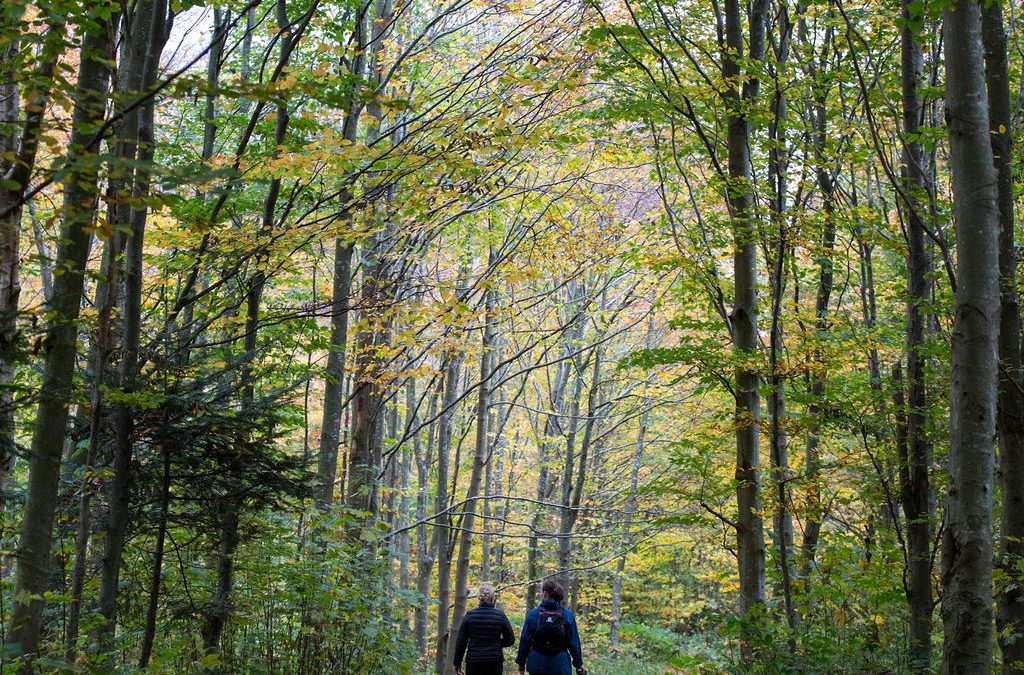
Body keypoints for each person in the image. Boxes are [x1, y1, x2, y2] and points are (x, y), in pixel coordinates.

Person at [515, 580, 586, 675]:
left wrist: (521, 662)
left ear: (545, 594)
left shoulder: (533, 614)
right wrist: (579, 664)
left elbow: (525, 640)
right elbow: (573, 642)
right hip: (560, 665)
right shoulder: (567, 615)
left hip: (537, 665)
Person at [453, 583, 516, 675]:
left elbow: (461, 642)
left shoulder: (470, 615)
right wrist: (496, 643)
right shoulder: (500, 615)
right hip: (494, 660)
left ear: (479, 597)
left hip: (474, 660)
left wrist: (457, 663)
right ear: (493, 598)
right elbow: (510, 640)